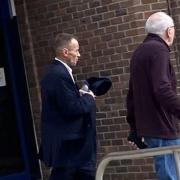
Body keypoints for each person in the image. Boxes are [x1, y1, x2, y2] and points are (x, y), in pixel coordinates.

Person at [126, 12, 180, 180]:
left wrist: (134, 128)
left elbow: (132, 95)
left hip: (152, 129)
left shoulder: (139, 52)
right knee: (171, 175)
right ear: (169, 31)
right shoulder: (159, 50)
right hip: (162, 127)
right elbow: (162, 89)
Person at [39, 33, 97, 180]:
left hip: (71, 147)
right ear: (65, 52)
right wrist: (89, 97)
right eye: (76, 50)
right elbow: (72, 108)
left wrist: (78, 94)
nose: (79, 54)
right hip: (69, 147)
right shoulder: (58, 74)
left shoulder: (56, 72)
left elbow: (64, 101)